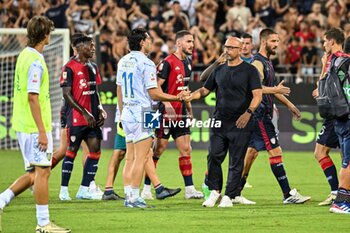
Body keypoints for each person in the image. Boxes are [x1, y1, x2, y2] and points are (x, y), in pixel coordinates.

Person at [0, 16, 70, 232]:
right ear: (46, 35)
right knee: (42, 173)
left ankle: (1, 200)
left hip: (24, 123)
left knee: (36, 173)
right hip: (33, 127)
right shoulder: (36, 62)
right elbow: (32, 96)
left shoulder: (24, 55)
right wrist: (42, 131)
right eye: (49, 31)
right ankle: (43, 224)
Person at [234, 28, 311, 205]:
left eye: (278, 41)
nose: (276, 45)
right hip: (259, 115)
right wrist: (275, 90)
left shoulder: (267, 62)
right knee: (276, 152)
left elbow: (272, 88)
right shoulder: (258, 64)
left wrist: (290, 105)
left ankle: (236, 192)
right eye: (273, 41)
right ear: (263, 42)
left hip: (261, 114)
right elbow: (254, 88)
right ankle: (288, 194)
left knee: (251, 154)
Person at [186, 36, 263, 207]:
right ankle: (215, 191)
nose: (227, 50)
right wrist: (190, 96)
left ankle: (229, 196)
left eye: (231, 48)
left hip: (241, 123)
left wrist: (248, 113)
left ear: (240, 49)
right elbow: (204, 90)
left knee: (236, 161)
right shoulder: (219, 70)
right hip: (219, 121)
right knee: (213, 155)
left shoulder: (250, 71)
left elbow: (258, 95)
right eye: (226, 47)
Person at [117, 28, 185, 208]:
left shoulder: (123, 61)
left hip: (127, 112)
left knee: (131, 158)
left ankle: (128, 195)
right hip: (145, 112)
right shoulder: (147, 64)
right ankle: (134, 197)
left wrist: (122, 113)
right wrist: (176, 97)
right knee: (143, 156)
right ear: (141, 42)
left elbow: (119, 90)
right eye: (148, 39)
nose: (150, 42)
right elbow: (154, 94)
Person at [141, 30, 203, 200]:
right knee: (158, 149)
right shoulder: (167, 62)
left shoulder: (188, 62)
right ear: (179, 43)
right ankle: (146, 188)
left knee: (185, 149)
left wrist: (189, 109)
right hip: (164, 113)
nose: (192, 45)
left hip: (181, 112)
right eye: (189, 41)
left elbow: (184, 89)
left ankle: (190, 189)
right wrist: (167, 104)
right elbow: (156, 87)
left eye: (193, 41)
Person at [59, 34, 106, 200]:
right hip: (77, 118)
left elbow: (96, 92)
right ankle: (64, 190)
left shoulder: (93, 67)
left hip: (93, 119)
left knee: (95, 152)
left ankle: (84, 189)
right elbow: (66, 94)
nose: (93, 48)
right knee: (71, 151)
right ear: (79, 47)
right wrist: (84, 112)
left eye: (93, 45)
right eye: (90, 45)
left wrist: (100, 109)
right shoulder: (69, 67)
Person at [323, 29, 350, 214]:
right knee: (348, 162)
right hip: (348, 116)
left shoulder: (332, 61)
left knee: (346, 159)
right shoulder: (345, 62)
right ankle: (341, 202)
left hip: (338, 116)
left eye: (325, 41)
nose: (324, 44)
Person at [311, 52, 340, 206]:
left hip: (337, 113)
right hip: (338, 113)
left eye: (325, 41)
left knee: (320, 152)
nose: (323, 45)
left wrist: (323, 66)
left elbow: (322, 87)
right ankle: (340, 193)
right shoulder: (339, 59)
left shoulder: (335, 60)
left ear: (331, 41)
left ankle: (337, 193)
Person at [102, 104, 125, 200]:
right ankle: (152, 189)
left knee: (120, 153)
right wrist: (122, 114)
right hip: (133, 112)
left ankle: (108, 189)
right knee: (145, 153)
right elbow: (119, 91)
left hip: (144, 110)